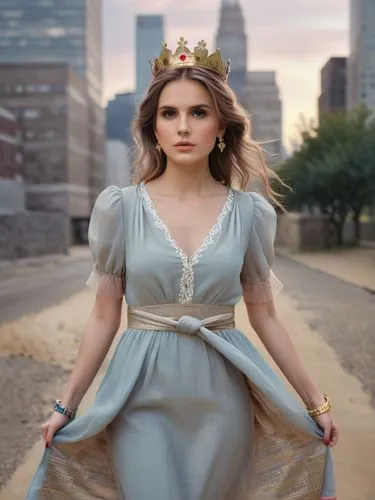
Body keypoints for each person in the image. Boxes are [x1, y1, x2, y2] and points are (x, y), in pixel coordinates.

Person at [27, 37, 338, 500]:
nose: (183, 127)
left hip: (222, 396)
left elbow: (265, 315)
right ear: (153, 128)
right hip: (139, 392)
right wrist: (66, 408)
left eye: (199, 112)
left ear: (221, 126)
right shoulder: (120, 208)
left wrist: (316, 403)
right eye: (169, 114)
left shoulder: (249, 213)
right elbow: (103, 316)